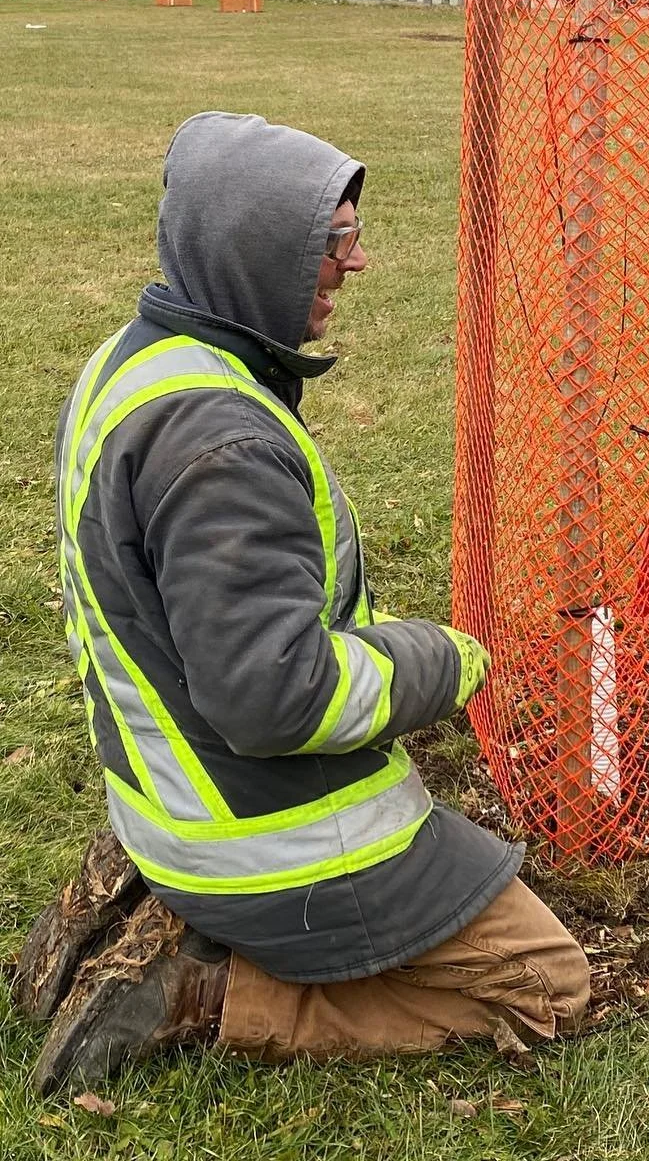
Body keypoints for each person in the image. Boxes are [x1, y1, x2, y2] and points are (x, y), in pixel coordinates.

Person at [19, 113, 589, 1097]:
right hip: (264, 835)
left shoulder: (137, 361)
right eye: (332, 241)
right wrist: (439, 661)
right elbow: (274, 698)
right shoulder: (224, 448)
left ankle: (133, 898)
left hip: (170, 799)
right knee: (544, 982)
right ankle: (209, 990)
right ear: (253, 247)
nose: (354, 264)